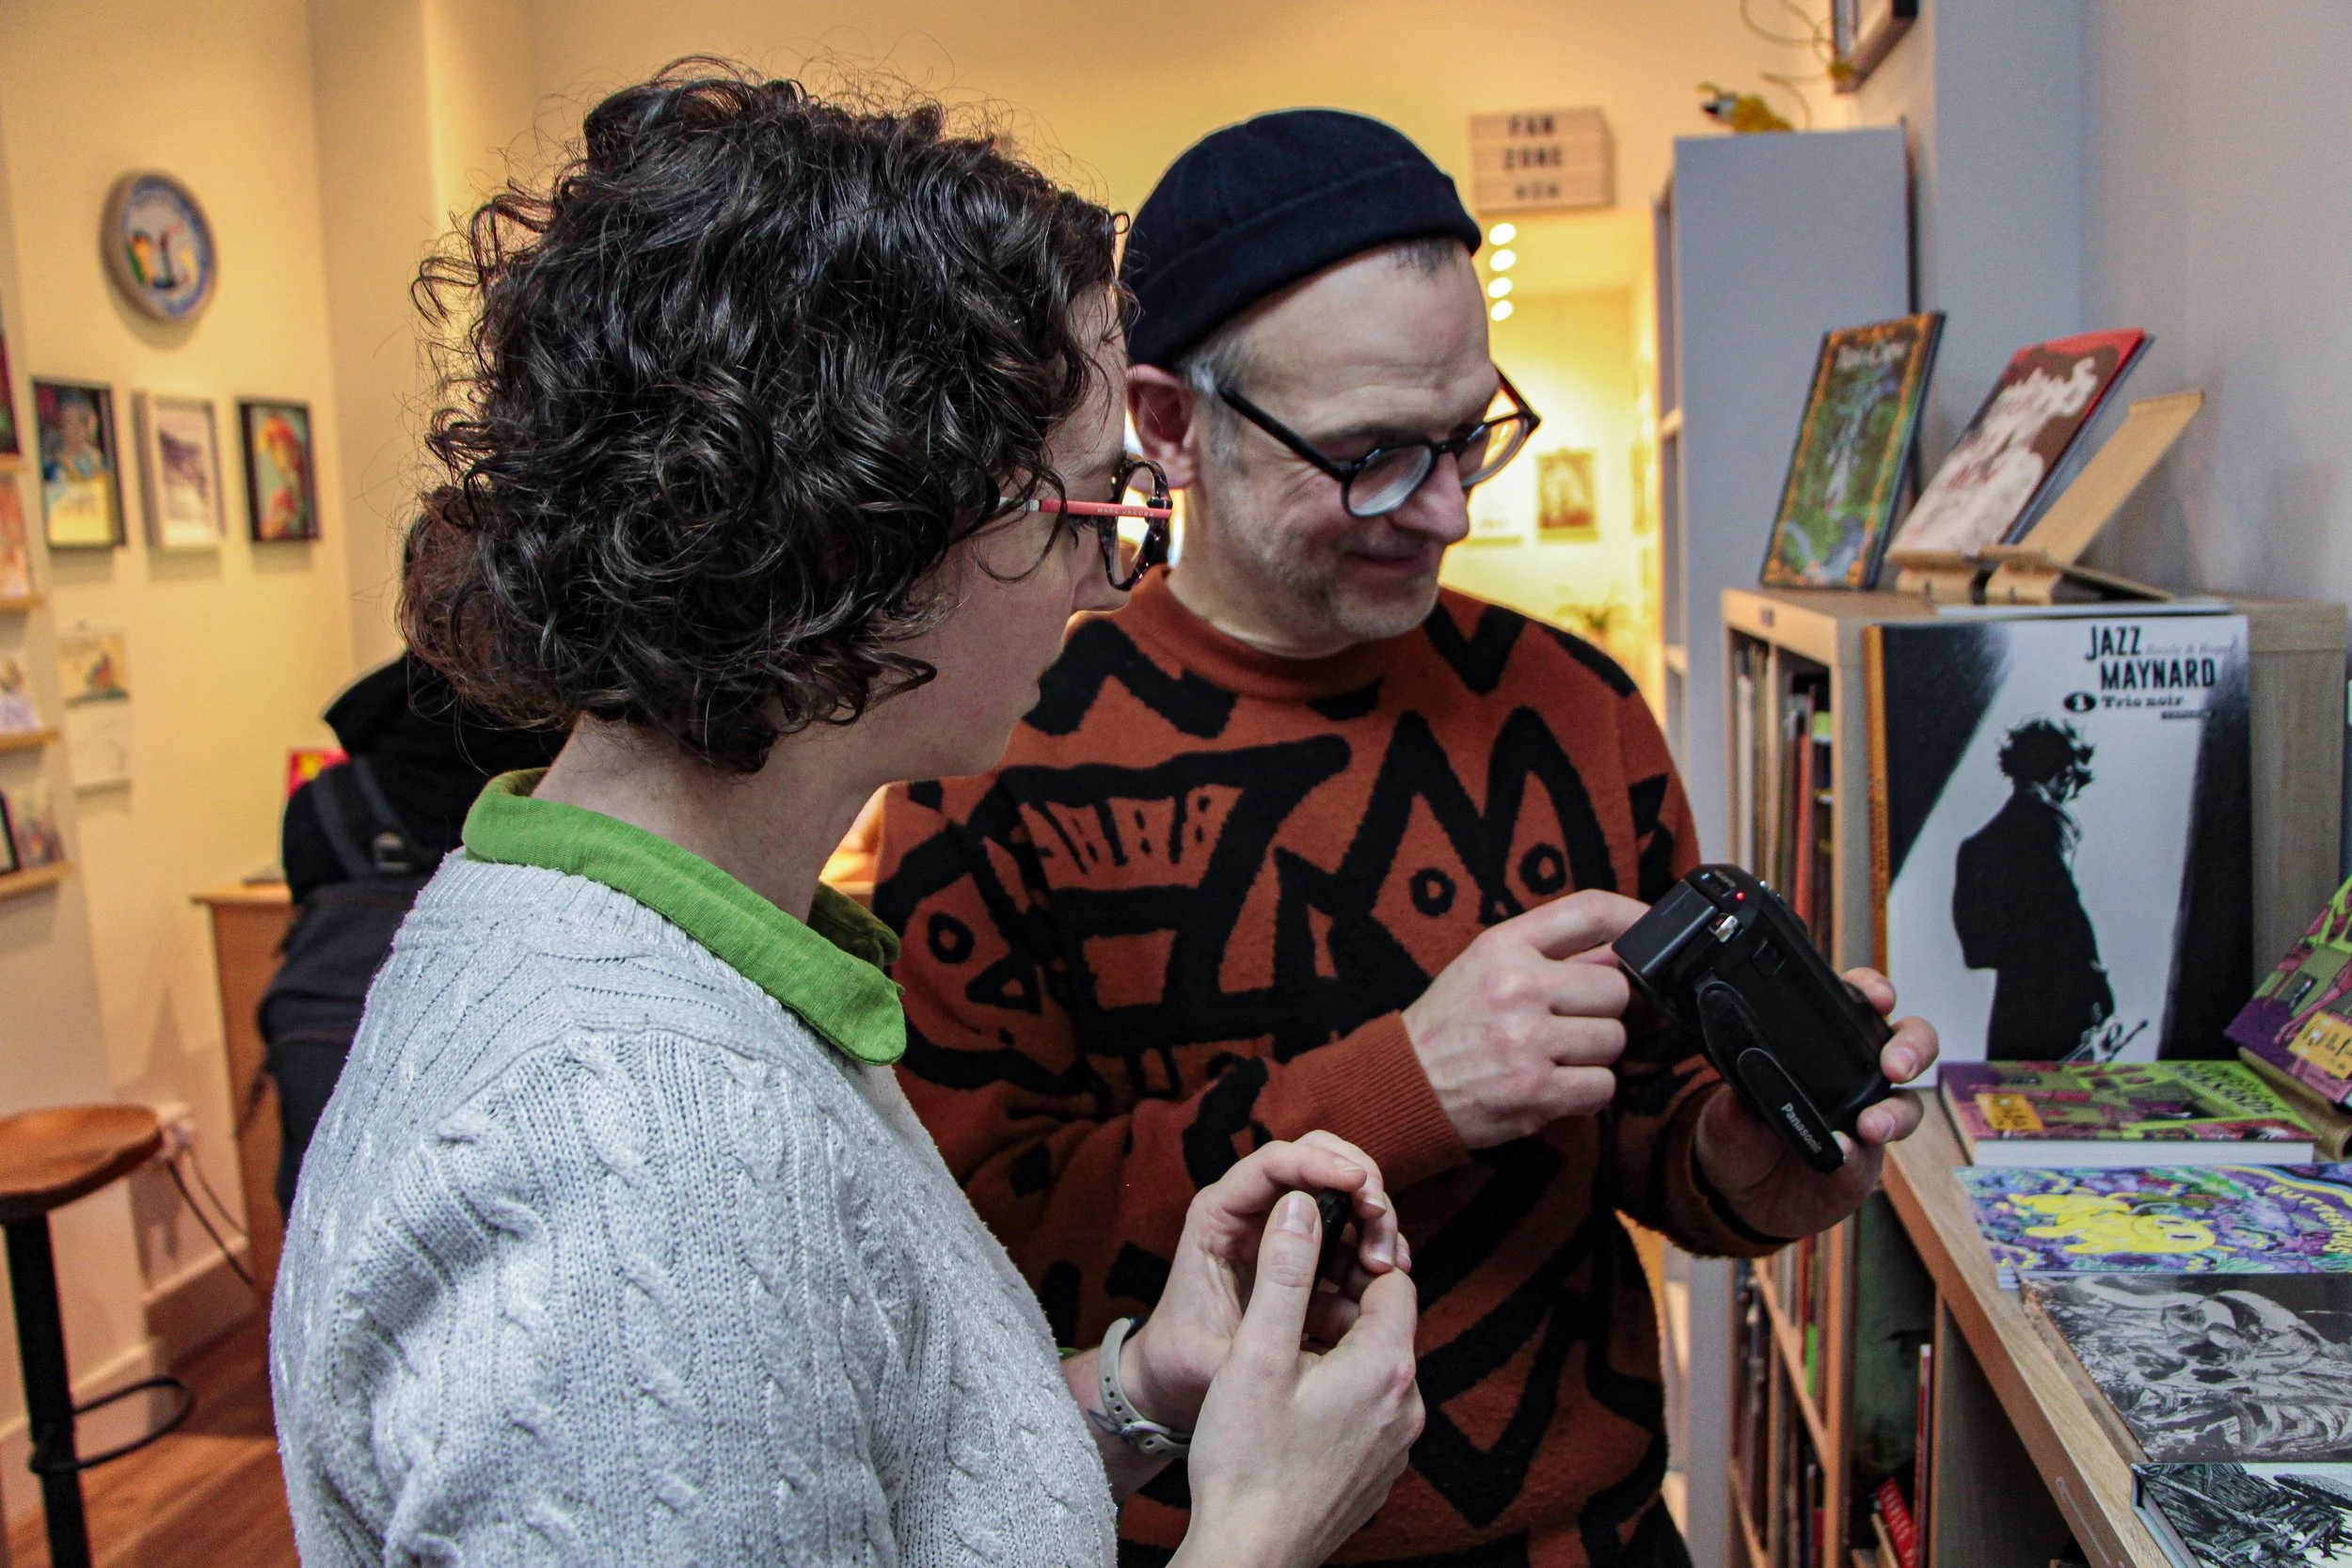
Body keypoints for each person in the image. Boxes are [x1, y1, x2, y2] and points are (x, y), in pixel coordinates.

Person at [272, 65, 1427, 1567]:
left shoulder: (631, 945)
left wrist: (1147, 1384)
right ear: (880, 527)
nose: (1107, 578)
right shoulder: (643, 1148)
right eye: (1095, 509)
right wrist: (1262, 1526)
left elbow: (836, 1488)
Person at [876, 109, 1941, 1566]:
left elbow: (1645, 1125)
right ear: (1173, 425)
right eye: (1374, 454)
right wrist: (1405, 1083)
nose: (1441, 509)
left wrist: (1741, 1169)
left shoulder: (1576, 709)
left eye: (1466, 435)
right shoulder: (991, 744)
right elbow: (978, 1244)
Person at [1954, 718, 2116, 1058]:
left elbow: (1977, 950)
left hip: (2012, 1009)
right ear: (2066, 774)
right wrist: (2095, 982)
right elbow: (2065, 909)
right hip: (2057, 1003)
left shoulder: (1976, 847)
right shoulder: (2048, 825)